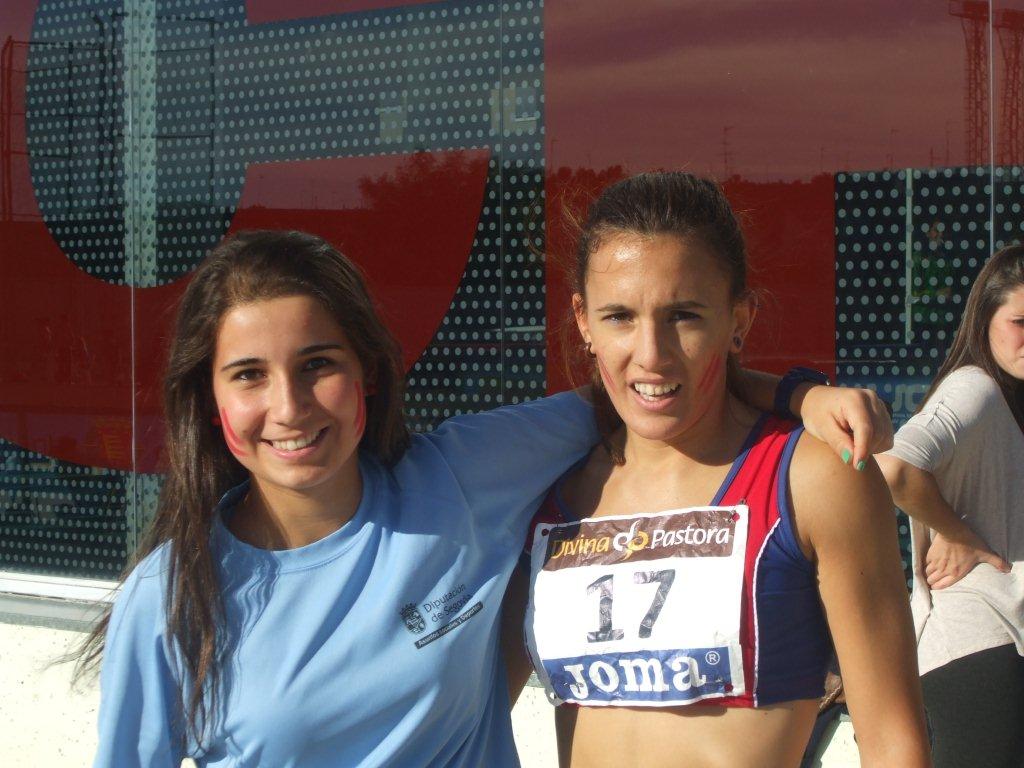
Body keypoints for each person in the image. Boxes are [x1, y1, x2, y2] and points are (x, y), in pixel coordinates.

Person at [82, 230, 891, 767]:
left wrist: (796, 394)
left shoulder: (462, 477)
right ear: (209, 401)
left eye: (318, 364)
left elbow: (644, 384)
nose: (289, 407)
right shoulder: (172, 597)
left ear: (368, 372)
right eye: (249, 376)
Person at [505, 172, 930, 768]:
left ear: (739, 319)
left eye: (684, 315)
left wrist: (796, 395)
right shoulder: (547, 486)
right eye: (619, 316)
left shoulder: (812, 477)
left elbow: (893, 741)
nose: (651, 354)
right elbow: (466, 708)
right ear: (582, 320)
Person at [877, 246, 1024, 768]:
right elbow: (894, 466)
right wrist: (959, 533)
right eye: (1020, 322)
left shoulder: (1007, 396)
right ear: (985, 321)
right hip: (977, 642)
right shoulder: (973, 388)